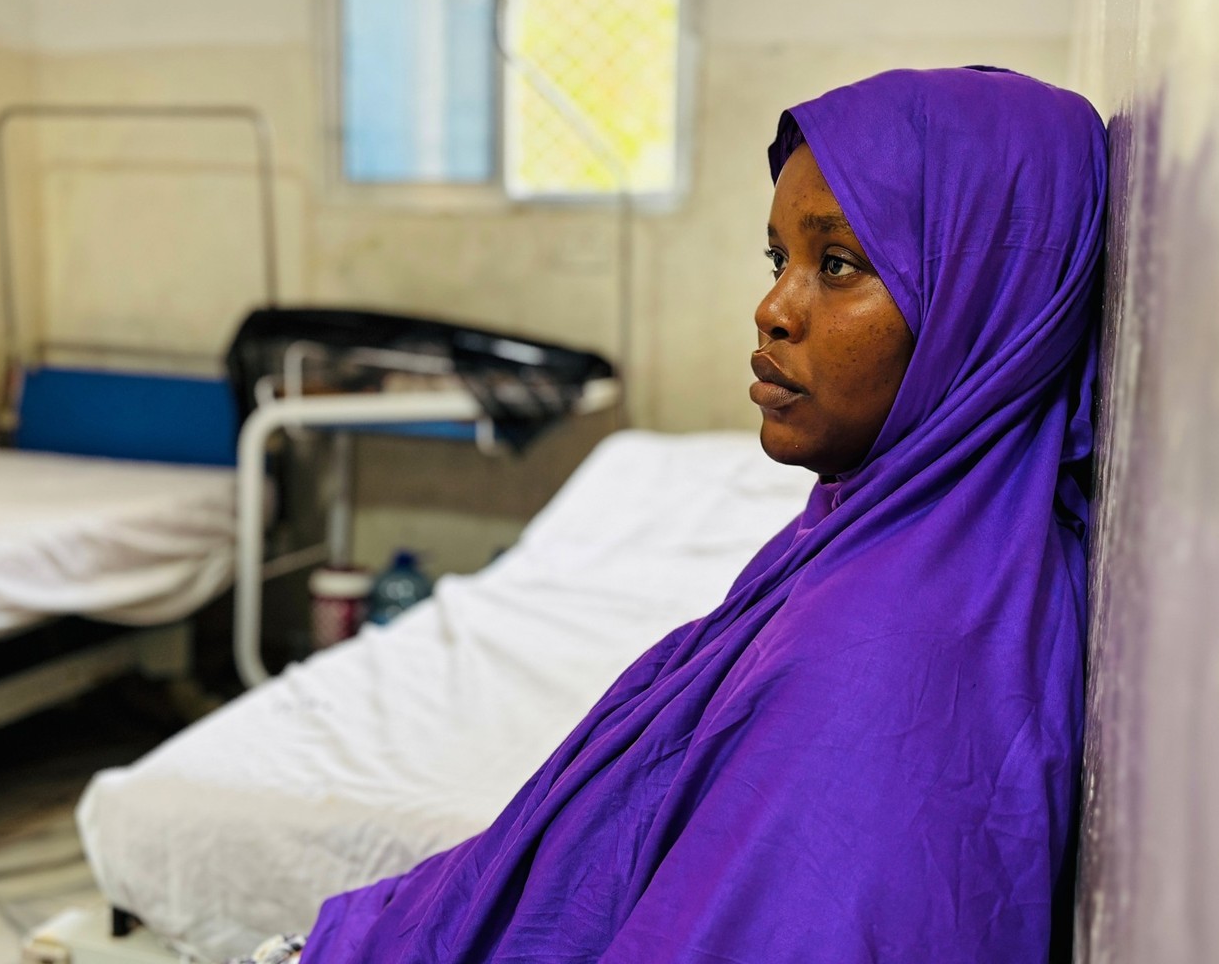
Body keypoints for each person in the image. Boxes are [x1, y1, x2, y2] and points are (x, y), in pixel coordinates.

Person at [256, 66, 1106, 963]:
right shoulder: (889, 534)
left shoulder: (892, 670)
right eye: (780, 262)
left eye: (838, 265)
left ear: (988, 304)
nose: (772, 310)